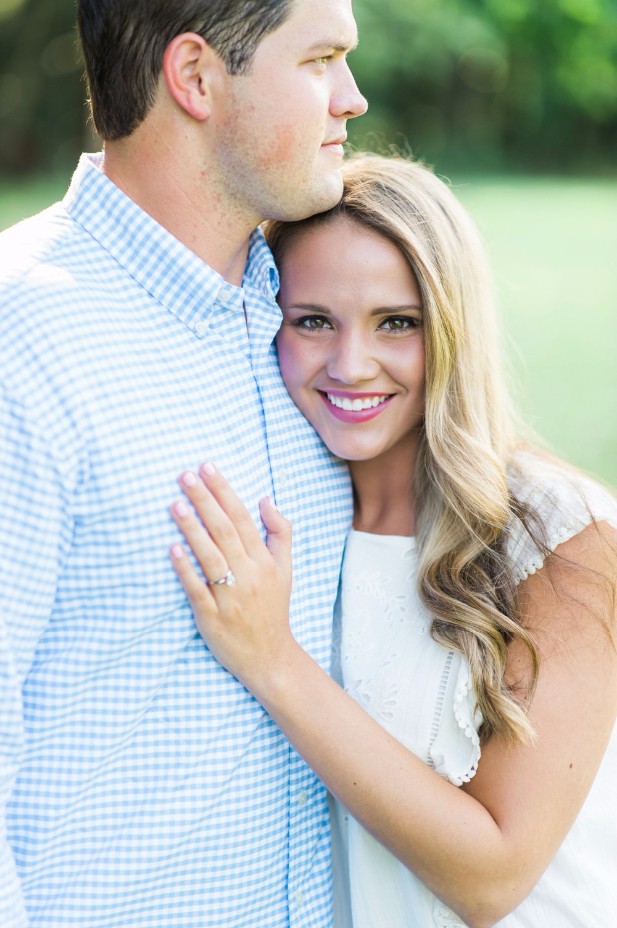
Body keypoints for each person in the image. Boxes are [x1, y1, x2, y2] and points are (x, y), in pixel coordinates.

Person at [168, 153, 617, 928]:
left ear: (450, 328)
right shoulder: (290, 520)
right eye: (313, 321)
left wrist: (274, 661)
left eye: (396, 323)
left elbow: (493, 877)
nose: (350, 365)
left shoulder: (560, 534)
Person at [0, 1, 367, 925]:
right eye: (319, 60)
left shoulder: (315, 335)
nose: (352, 98)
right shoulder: (23, 337)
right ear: (196, 78)